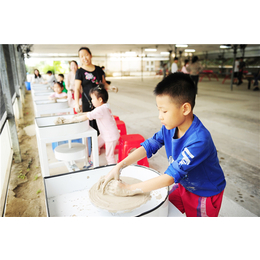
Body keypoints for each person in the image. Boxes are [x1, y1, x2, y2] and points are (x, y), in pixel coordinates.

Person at [99, 73, 226, 217]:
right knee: (161, 208)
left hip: (204, 193)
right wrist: (119, 166)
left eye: (164, 111)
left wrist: (128, 189)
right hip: (185, 184)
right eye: (158, 109)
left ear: (185, 109)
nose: (160, 116)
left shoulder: (199, 140)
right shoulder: (170, 126)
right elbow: (149, 145)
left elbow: (169, 177)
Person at [64, 84, 119, 165]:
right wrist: (80, 114)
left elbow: (87, 116)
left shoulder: (100, 109)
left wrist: (74, 119)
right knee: (95, 144)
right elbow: (90, 113)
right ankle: (92, 162)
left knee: (109, 156)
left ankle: (114, 170)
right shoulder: (104, 106)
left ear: (100, 99)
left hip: (110, 136)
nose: (91, 101)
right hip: (105, 134)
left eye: (93, 99)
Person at [74, 47, 118, 135]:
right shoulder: (80, 72)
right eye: (81, 56)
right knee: (89, 125)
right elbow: (77, 88)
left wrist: (110, 87)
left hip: (100, 102)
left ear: (91, 55)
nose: (84, 58)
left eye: (86, 55)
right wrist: (76, 103)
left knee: (102, 123)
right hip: (88, 102)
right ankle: (92, 146)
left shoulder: (98, 70)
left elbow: (104, 83)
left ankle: (101, 143)